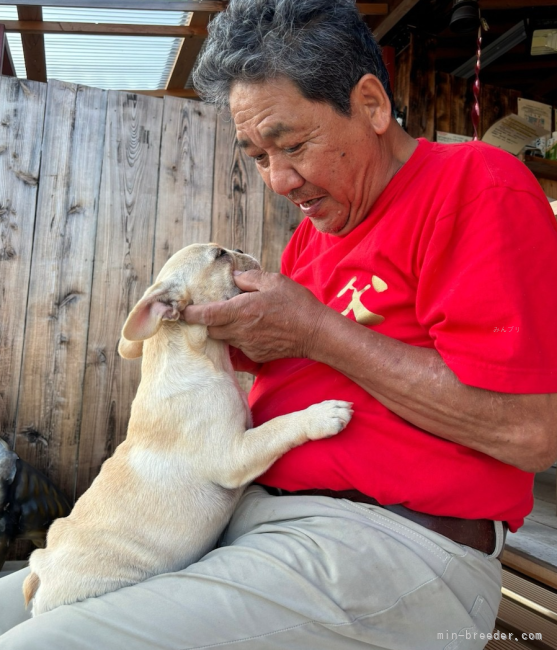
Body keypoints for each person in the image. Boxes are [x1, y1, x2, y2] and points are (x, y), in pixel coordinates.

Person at [1, 1, 556, 648]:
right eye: (257, 157)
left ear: (372, 105)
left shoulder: (475, 186)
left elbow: (529, 432)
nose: (279, 180)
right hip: (239, 521)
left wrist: (315, 331)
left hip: (390, 544)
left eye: (291, 145)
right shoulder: (311, 244)